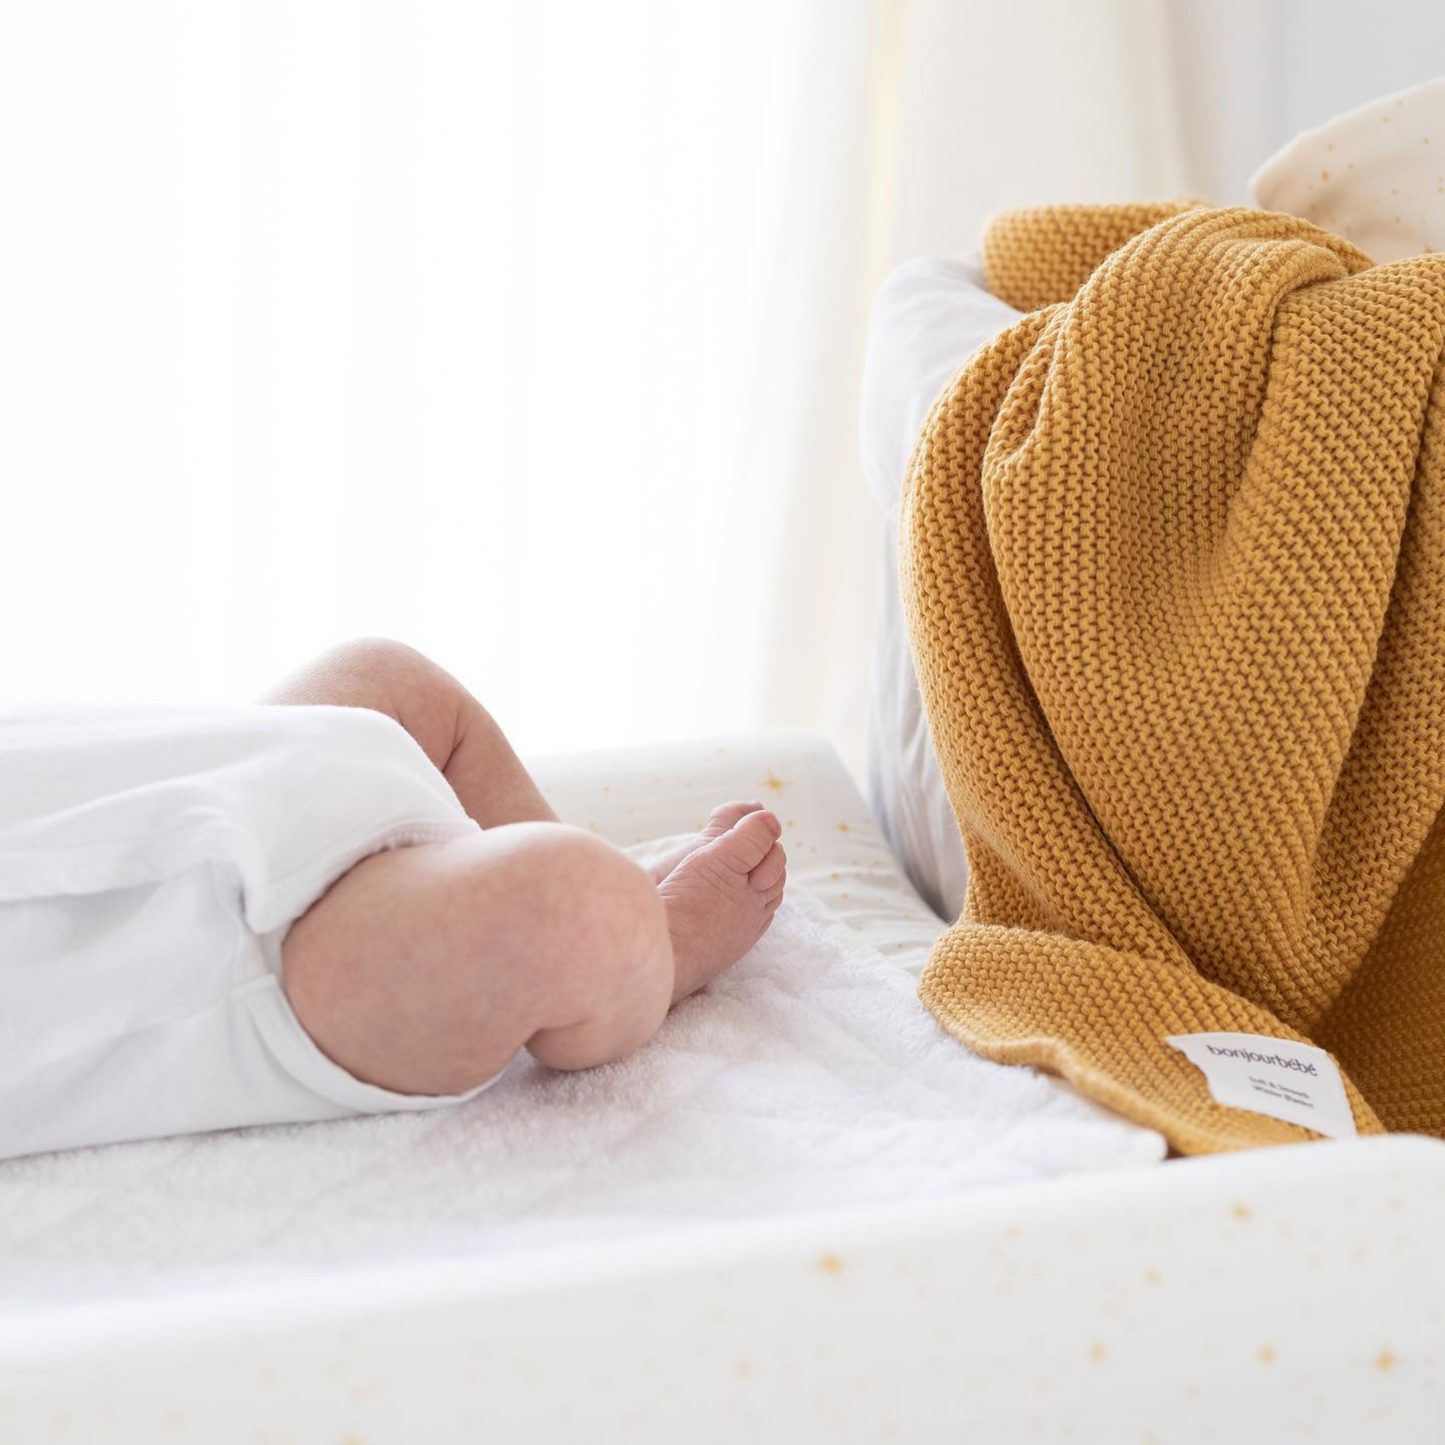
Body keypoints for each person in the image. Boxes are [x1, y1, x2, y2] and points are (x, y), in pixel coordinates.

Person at [0, 638, 786, 1159]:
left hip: (220, 768)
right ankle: (659, 947)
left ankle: (525, 848)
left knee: (388, 676)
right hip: (257, 959)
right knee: (577, 912)